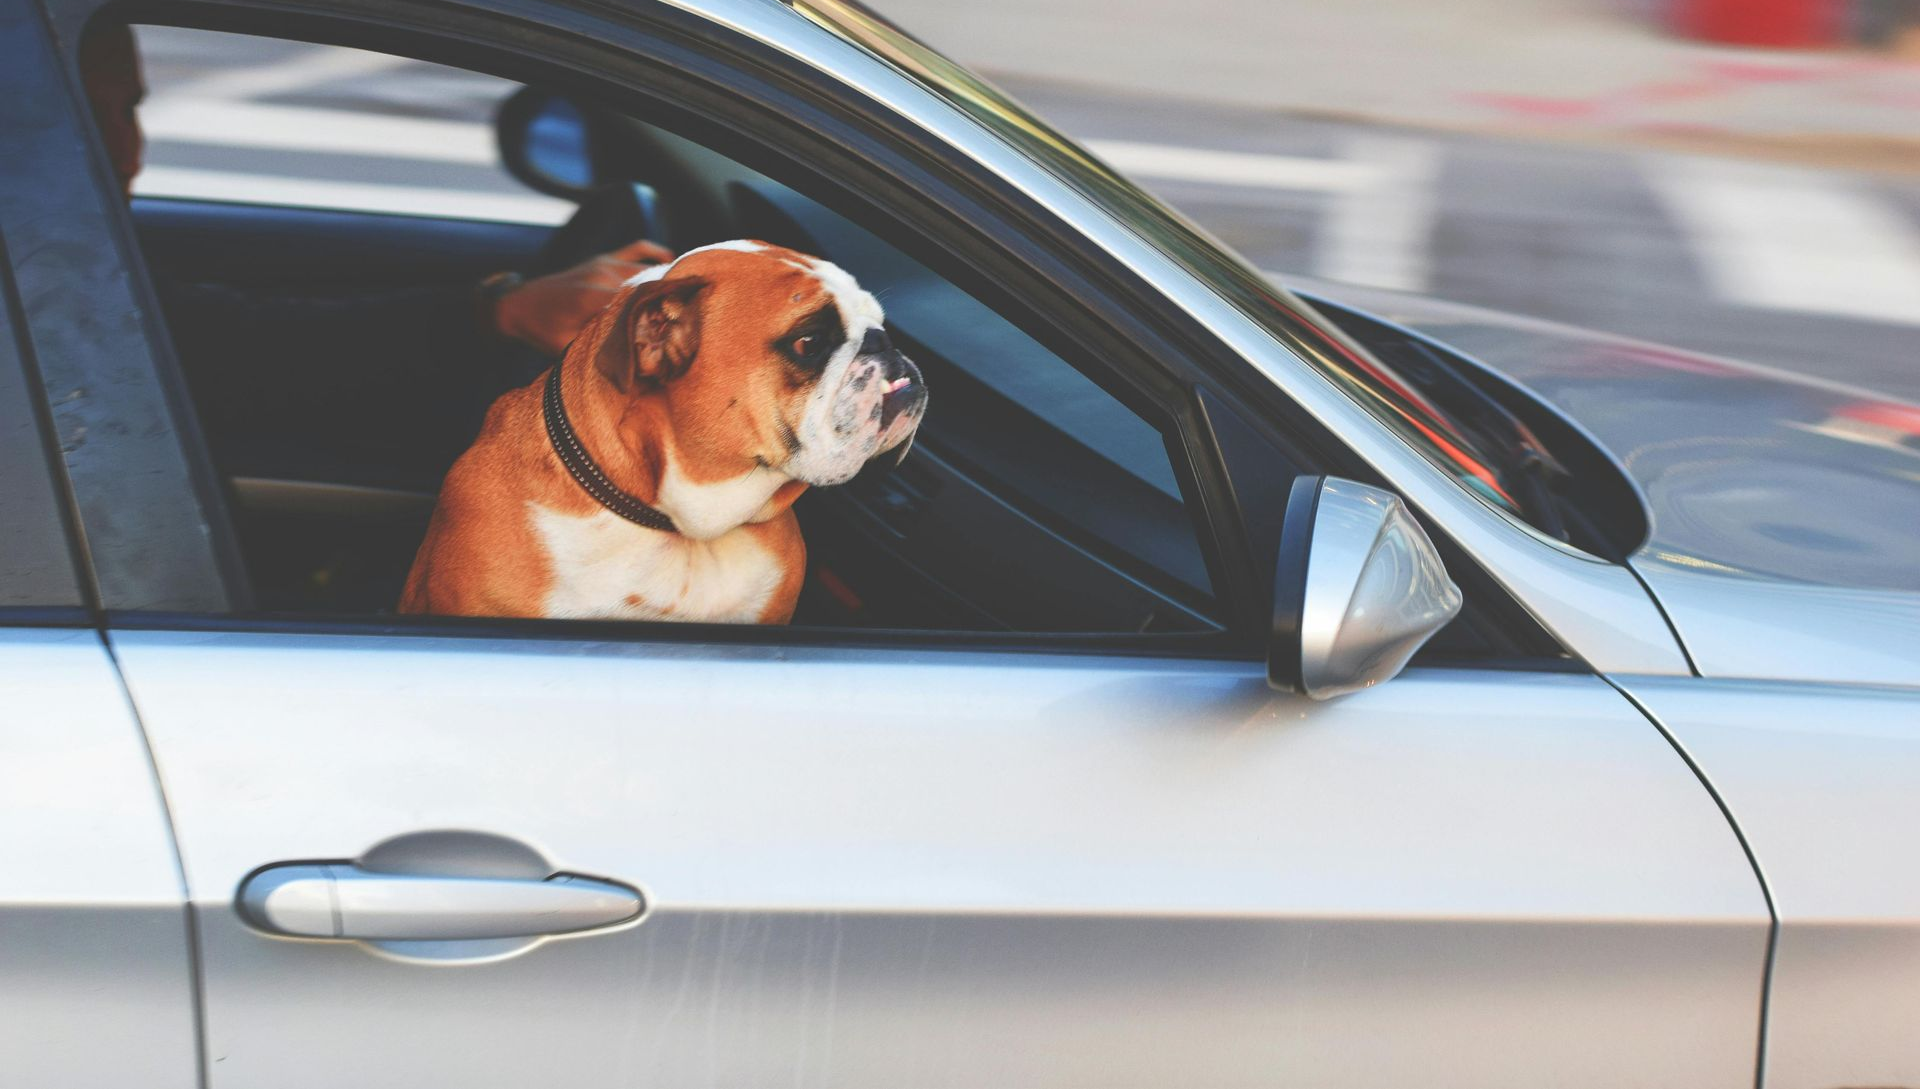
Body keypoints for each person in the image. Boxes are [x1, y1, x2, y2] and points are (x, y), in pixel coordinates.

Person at [78, 21, 673, 479]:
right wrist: (502, 312)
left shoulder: (68, 277)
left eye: (129, 109)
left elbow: (222, 339)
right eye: (81, 112)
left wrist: (500, 309)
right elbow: (242, 355)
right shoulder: (50, 288)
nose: (127, 153)